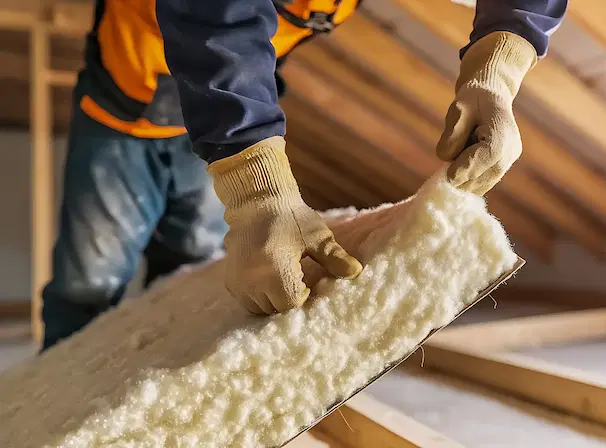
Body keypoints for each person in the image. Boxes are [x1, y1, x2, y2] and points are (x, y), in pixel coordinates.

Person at [155, 0, 568, 315]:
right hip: (125, 102)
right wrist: (257, 189)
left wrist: (498, 68)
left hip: (212, 115)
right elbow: (213, 15)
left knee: (190, 268)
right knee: (93, 277)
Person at [40, 0, 364, 350]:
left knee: (191, 278)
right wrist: (260, 189)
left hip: (210, 127)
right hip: (122, 116)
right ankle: (54, 402)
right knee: (88, 283)